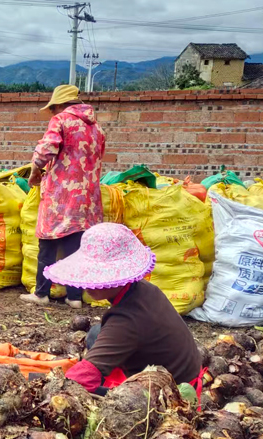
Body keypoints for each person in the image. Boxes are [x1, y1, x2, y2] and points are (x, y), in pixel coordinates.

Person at [44, 222, 201, 393]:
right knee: (96, 333)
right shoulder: (143, 289)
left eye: (100, 272)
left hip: (172, 391)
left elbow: (79, 381)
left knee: (74, 389)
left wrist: (46, 387)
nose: (89, 281)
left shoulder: (126, 320)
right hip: (184, 369)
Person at [20, 84, 106, 309]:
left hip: (62, 193)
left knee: (47, 242)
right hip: (88, 197)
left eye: (53, 108)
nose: (52, 112)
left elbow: (47, 148)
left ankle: (41, 293)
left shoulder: (61, 120)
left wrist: (35, 170)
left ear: (59, 104)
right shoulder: (97, 128)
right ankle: (74, 297)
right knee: (74, 246)